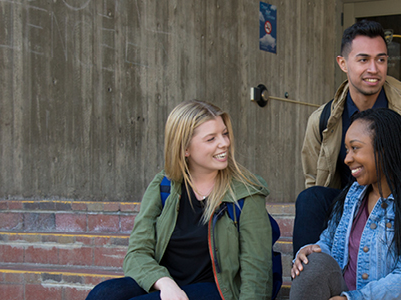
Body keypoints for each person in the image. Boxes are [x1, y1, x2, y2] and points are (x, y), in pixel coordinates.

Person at [295, 20, 401, 299]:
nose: (374, 69)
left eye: (381, 59)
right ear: (343, 63)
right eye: (363, 59)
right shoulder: (322, 119)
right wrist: (311, 250)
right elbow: (314, 179)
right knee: (310, 200)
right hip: (351, 198)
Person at [86, 100, 272, 300]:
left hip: (218, 290)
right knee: (102, 295)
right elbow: (137, 253)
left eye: (224, 134)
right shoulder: (163, 186)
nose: (225, 143)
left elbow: (257, 270)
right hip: (169, 285)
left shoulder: (246, 191)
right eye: (211, 138)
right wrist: (165, 282)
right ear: (185, 149)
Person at [290, 108, 401, 300]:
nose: (347, 158)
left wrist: (351, 299)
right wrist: (310, 251)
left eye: (355, 148)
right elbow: (328, 242)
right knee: (312, 265)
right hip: (338, 293)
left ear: (385, 149)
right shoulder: (352, 194)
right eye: (346, 149)